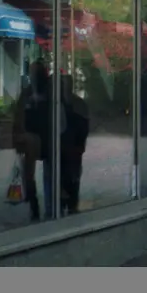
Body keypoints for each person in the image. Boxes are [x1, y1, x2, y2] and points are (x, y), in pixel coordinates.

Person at [13, 61, 55, 221]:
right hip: (32, 139)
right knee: (29, 176)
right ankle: (35, 206)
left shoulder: (49, 92)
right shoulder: (28, 93)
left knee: (48, 174)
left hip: (46, 138)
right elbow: (18, 116)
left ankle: (49, 207)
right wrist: (18, 138)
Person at [59, 74, 90, 214]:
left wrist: (80, 144)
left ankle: (72, 203)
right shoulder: (58, 103)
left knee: (73, 175)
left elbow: (84, 125)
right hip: (62, 146)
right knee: (64, 174)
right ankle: (63, 202)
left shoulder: (77, 103)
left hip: (73, 145)